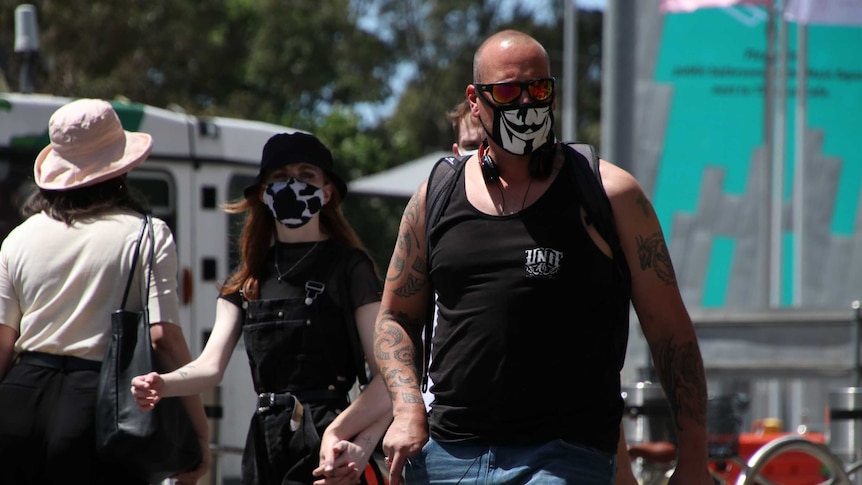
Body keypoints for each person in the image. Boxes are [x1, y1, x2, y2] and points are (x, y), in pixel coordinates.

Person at [325, 29, 713, 485]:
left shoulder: (609, 195)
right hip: (447, 457)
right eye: (508, 91)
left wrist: (693, 459)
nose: (526, 103)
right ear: (475, 101)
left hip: (564, 457)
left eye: (540, 89)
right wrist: (409, 409)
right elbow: (394, 318)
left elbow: (671, 333)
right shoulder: (435, 195)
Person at [131, 131, 388, 485]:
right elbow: (209, 366)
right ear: (264, 194)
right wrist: (163, 383)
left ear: (327, 192)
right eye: (280, 177)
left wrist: (354, 443)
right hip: (266, 445)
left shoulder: (350, 267)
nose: (292, 185)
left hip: (330, 444)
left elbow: (390, 378)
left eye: (306, 175)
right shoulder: (247, 278)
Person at [0, 98, 210, 485]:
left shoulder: (18, 238)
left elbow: (3, 342)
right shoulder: (147, 233)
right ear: (121, 166)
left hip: (18, 404)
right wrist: (198, 432)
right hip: (101, 409)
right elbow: (163, 337)